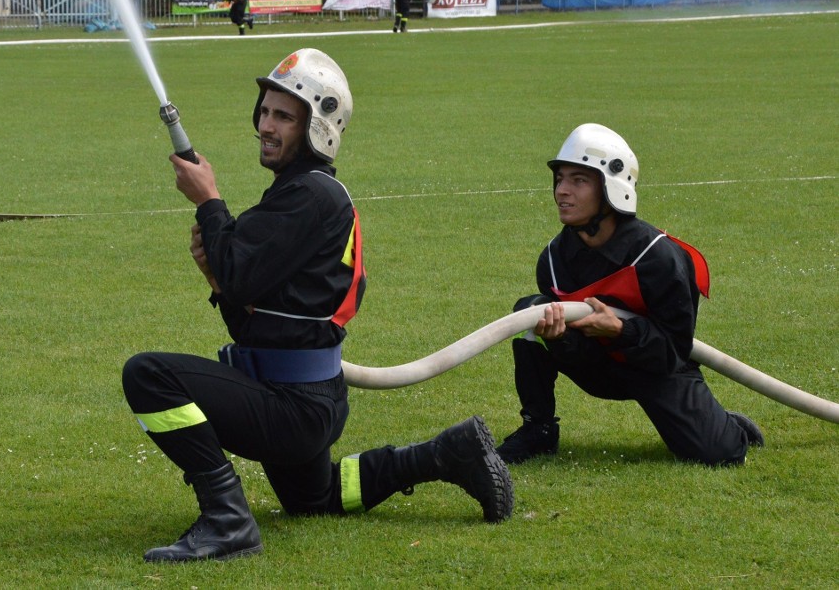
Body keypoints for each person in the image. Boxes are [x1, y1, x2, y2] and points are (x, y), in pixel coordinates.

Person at [122, 48, 513, 563]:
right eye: (265, 110)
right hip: (305, 399)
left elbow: (240, 275)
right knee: (318, 499)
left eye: (283, 116)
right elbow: (251, 319)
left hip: (294, 405)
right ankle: (445, 454)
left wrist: (209, 201)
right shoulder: (303, 194)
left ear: (319, 126)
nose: (266, 124)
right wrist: (216, 277)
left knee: (148, 376)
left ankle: (227, 521)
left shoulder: (309, 196)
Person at [496, 123, 764, 467]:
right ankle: (538, 429)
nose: (562, 191)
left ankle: (727, 425)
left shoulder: (660, 258)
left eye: (579, 181)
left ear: (612, 187)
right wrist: (558, 336)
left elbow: (673, 352)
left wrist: (621, 330)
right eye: (560, 179)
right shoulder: (552, 260)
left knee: (720, 454)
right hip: (595, 363)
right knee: (530, 313)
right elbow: (565, 342)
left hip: (654, 366)